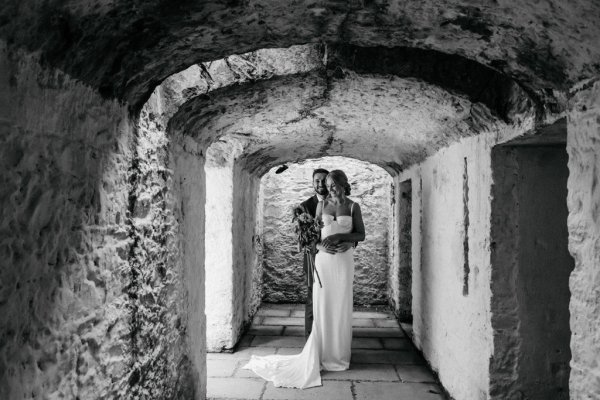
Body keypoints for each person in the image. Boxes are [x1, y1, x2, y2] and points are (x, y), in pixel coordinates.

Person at [244, 170, 365, 388]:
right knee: (322, 305)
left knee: (341, 305)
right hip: (324, 261)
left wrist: (341, 237)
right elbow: (313, 236)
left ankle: (338, 356)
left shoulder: (354, 206)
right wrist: (319, 246)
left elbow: (360, 234)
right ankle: (320, 352)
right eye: (328, 184)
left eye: (335, 184)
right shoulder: (321, 205)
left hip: (344, 261)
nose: (331, 188)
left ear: (345, 184)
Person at [298, 168, 329, 338]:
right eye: (317, 180)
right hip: (312, 257)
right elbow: (302, 238)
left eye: (324, 180)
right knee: (312, 295)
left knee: (330, 296)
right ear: (312, 183)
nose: (320, 184)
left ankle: (328, 335)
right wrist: (314, 245)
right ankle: (310, 337)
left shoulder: (338, 203)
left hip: (333, 258)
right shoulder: (304, 206)